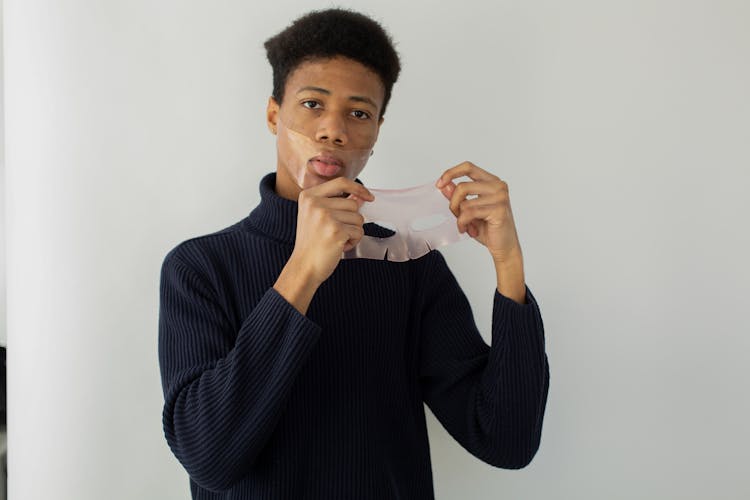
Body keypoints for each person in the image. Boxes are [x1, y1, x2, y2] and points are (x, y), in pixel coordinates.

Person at [158, 7, 550, 500]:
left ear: (377, 131)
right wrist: (303, 270)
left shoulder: (407, 261)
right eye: (312, 104)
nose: (332, 130)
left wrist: (508, 265)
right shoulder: (199, 268)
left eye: (358, 113)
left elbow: (506, 441)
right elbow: (209, 456)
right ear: (274, 114)